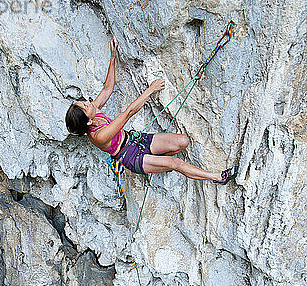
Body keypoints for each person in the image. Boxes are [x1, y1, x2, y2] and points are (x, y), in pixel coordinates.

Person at [65, 39, 238, 184]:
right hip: (131, 156)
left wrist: (113, 56)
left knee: (182, 142)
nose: (89, 103)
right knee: (175, 162)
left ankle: (158, 162)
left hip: (135, 139)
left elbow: (107, 89)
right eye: (86, 106)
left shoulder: (93, 111)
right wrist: (150, 90)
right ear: (87, 122)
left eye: (85, 102)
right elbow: (128, 113)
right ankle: (217, 177)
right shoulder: (98, 136)